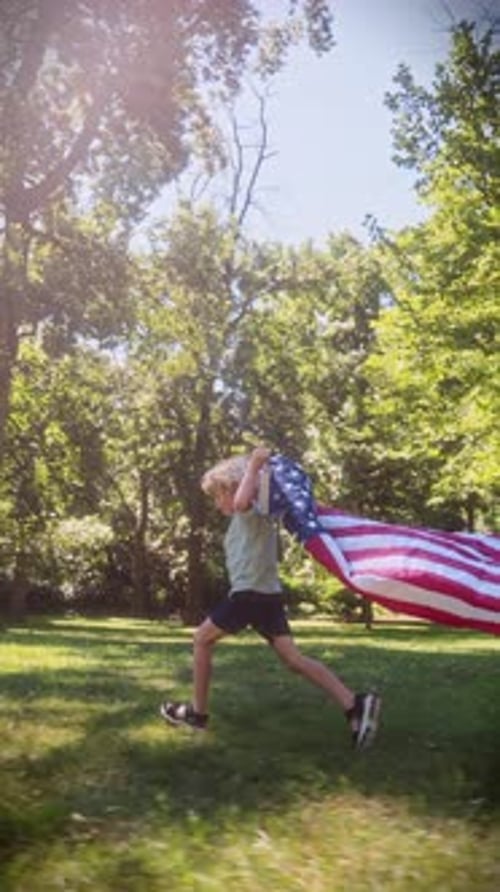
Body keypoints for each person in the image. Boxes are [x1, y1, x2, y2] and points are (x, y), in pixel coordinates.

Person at [160, 446, 381, 749]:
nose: (217, 502)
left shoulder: (253, 509)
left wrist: (253, 467)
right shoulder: (249, 516)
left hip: (249, 595)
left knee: (201, 639)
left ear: (235, 488)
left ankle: (197, 715)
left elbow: (241, 500)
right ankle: (354, 704)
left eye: (218, 494)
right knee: (293, 659)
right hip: (266, 596)